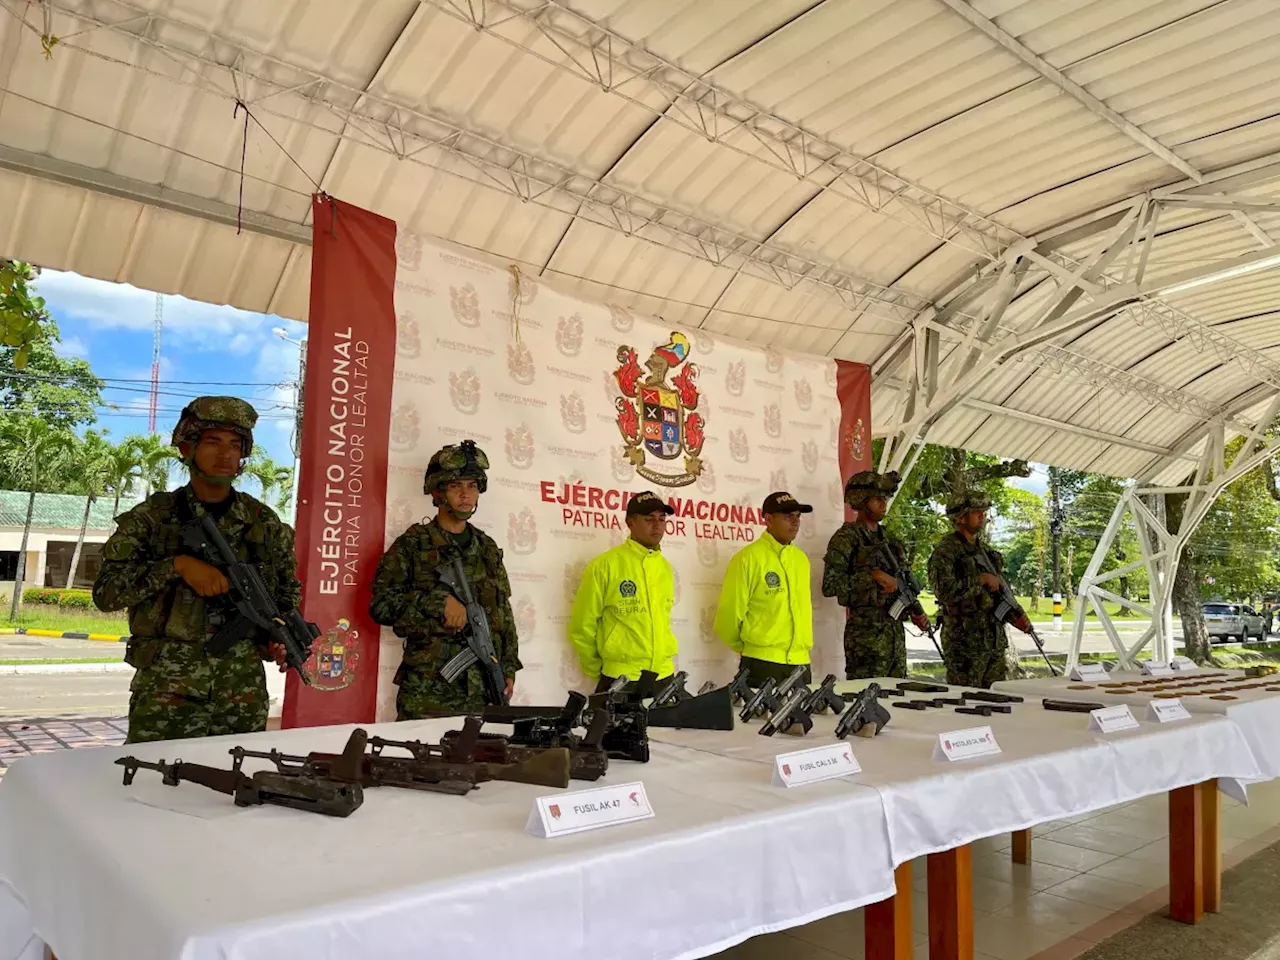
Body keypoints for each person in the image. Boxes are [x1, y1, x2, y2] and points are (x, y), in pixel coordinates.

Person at [93, 397, 298, 744]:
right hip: (167, 692)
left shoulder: (263, 523)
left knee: (235, 787)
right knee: (149, 787)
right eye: (213, 442)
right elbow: (106, 594)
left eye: (236, 445)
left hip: (240, 692)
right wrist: (176, 566)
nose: (226, 454)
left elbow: (286, 596)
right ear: (187, 448)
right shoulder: (153, 518)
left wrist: (276, 639)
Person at [369, 440, 520, 718]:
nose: (465, 494)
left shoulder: (487, 548)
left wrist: (507, 667)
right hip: (428, 694)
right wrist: (437, 603)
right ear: (438, 492)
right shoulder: (413, 545)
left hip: (484, 690)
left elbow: (503, 614)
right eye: (456, 486)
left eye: (472, 486)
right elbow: (380, 604)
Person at [822, 470, 930, 679]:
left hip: (895, 641)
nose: (884, 504)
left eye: (885, 498)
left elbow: (902, 584)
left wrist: (914, 611)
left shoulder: (891, 540)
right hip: (865, 643)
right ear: (861, 500)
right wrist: (872, 576)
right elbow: (830, 585)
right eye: (878, 499)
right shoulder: (847, 538)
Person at [569, 491, 678, 692]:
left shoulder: (665, 568)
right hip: (622, 677)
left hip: (663, 676)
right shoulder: (604, 566)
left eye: (662, 519)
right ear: (630, 523)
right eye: (649, 519)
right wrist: (600, 669)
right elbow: (582, 625)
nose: (657, 525)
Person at [715, 492, 814, 687]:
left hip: (801, 663)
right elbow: (729, 616)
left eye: (798, 516)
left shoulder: (801, 559)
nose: (795, 522)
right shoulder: (748, 558)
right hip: (762, 663)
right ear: (768, 519)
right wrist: (752, 647)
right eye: (787, 517)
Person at [927, 490, 1013, 688]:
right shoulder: (946, 551)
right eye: (976, 512)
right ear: (961, 518)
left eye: (983, 511)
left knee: (996, 699)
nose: (982, 516)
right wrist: (980, 580)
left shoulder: (986, 552)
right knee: (965, 702)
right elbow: (944, 591)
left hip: (992, 641)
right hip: (963, 643)